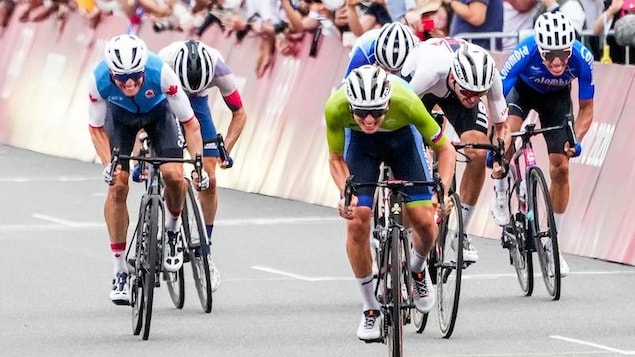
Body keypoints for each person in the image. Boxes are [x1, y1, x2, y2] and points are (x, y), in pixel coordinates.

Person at [324, 65, 456, 341]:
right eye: (361, 113)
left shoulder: (406, 101)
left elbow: (446, 148)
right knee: (357, 220)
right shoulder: (336, 106)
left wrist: (440, 191)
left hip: (402, 140)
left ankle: (418, 271)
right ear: (351, 106)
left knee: (424, 221)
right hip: (360, 146)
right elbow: (335, 158)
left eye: (376, 112)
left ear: (387, 102)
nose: (369, 120)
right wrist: (343, 192)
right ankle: (370, 307)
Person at [88, 34, 209, 305]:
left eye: (136, 76)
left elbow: (190, 123)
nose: (130, 83)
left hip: (159, 116)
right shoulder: (97, 80)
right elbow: (95, 128)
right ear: (111, 73)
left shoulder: (162, 73)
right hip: (119, 120)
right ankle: (120, 270)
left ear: (144, 69)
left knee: (174, 176)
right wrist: (109, 164)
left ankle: (172, 229)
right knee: (118, 185)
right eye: (122, 78)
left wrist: (198, 163)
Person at [500, 11, 595, 276]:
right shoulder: (525, 51)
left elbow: (587, 108)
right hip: (522, 91)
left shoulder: (582, 58)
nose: (556, 62)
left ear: (570, 49)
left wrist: (576, 139)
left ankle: (553, 244)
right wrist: (498, 138)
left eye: (562, 54)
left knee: (561, 167)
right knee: (509, 134)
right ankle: (500, 188)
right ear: (539, 48)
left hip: (556, 100)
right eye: (549, 55)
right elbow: (498, 94)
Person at [401, 38, 511, 263]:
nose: (472, 98)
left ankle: (461, 233)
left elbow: (501, 127)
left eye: (478, 94)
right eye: (468, 92)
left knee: (478, 151)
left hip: (454, 93)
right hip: (423, 92)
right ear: (454, 78)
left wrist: (499, 154)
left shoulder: (488, 77)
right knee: (414, 148)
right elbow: (402, 113)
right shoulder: (429, 72)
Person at [158, 39, 247, 293]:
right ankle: (168, 227)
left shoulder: (219, 68)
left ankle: (204, 249)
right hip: (166, 102)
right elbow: (145, 107)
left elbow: (239, 113)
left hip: (197, 106)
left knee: (210, 178)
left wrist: (225, 150)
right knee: (169, 169)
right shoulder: (163, 62)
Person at [344, 21, 419, 77]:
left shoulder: (416, 51)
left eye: (394, 70)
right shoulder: (363, 51)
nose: (390, 71)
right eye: (386, 68)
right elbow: (346, 83)